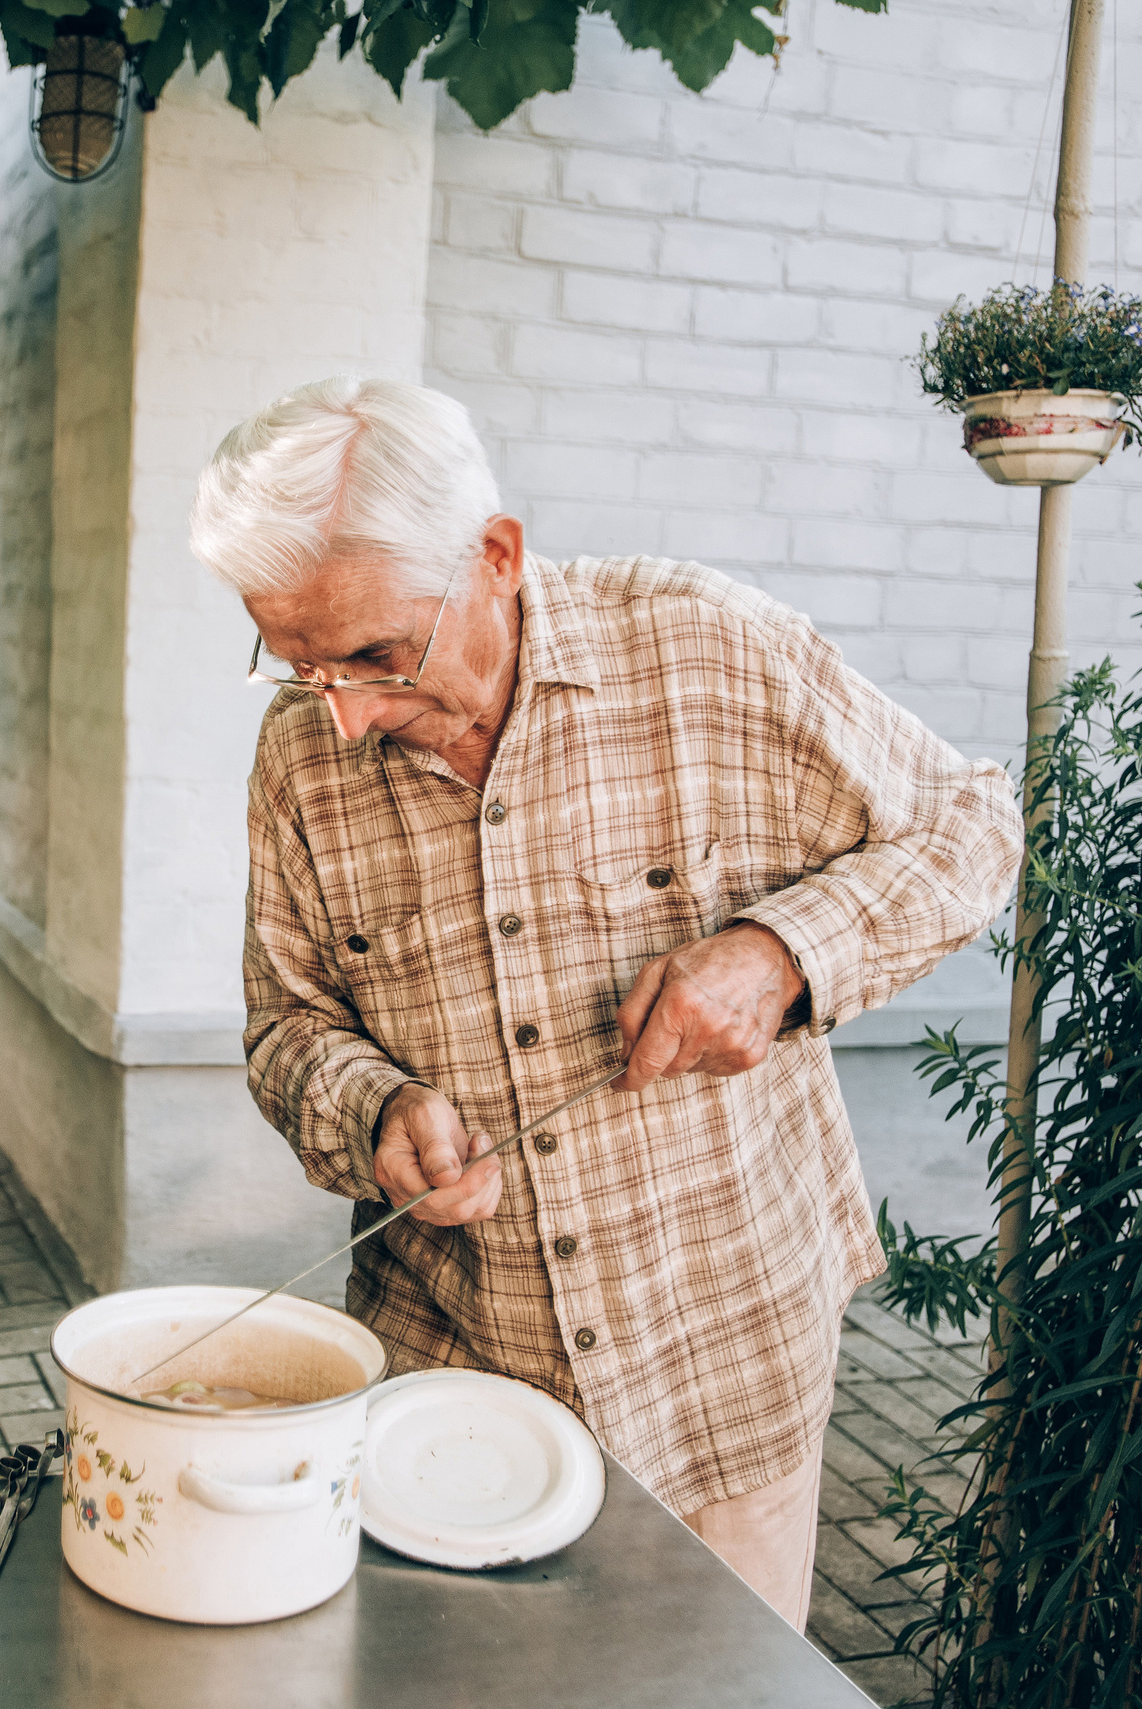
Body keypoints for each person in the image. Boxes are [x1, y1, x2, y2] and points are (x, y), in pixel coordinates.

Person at [197, 376, 1020, 1630]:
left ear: (495, 556)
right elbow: (286, 1022)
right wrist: (371, 1111)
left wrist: (779, 953)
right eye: (301, 665)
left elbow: (972, 824)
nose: (348, 714)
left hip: (721, 1360)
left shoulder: (702, 642)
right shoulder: (301, 749)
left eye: (374, 653)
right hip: (452, 1381)